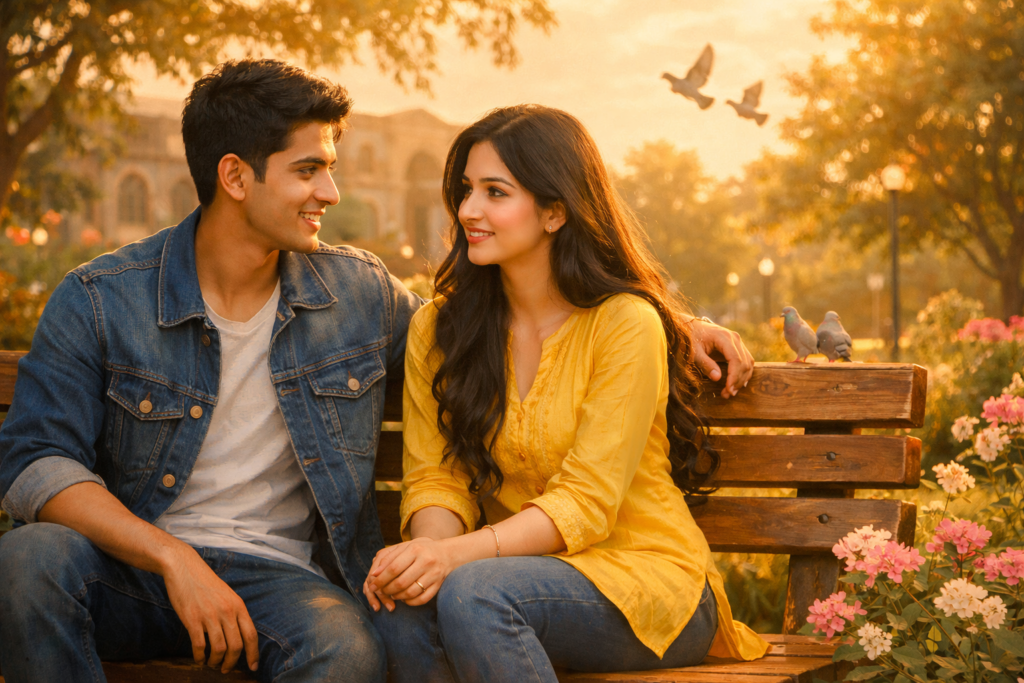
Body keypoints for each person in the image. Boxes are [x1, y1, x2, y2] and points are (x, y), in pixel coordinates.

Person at [0, 59, 423, 682]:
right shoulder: (101, 298)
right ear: (235, 176)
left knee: (345, 647)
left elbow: (465, 351)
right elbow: (36, 461)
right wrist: (174, 558)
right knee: (26, 562)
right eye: (308, 170)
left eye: (329, 169)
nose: (330, 193)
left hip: (283, 586)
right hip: (131, 570)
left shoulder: (360, 294)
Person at [364, 105, 769, 683]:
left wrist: (453, 559)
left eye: (495, 192)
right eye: (466, 189)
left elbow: (586, 503)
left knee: (476, 594)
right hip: (507, 581)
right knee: (401, 605)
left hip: (648, 585)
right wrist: (427, 560)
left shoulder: (624, 324)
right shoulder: (440, 328)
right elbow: (437, 477)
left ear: (555, 211)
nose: (469, 210)